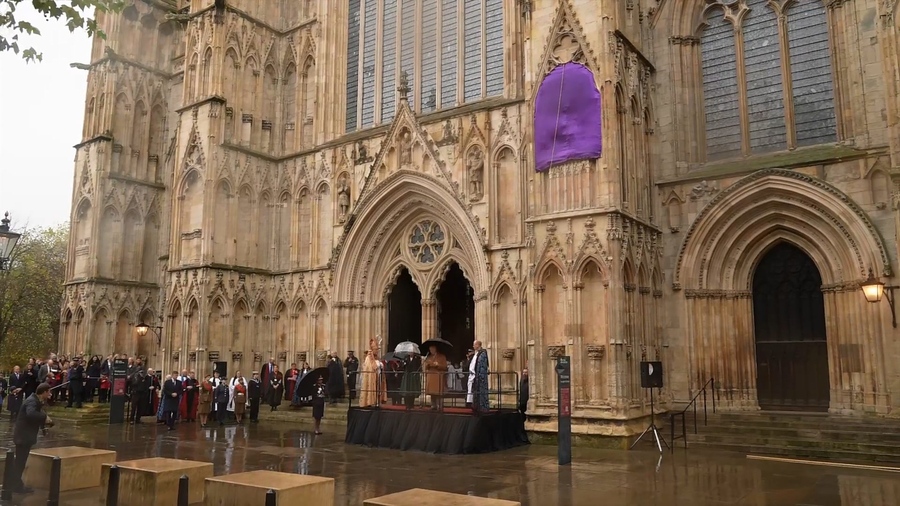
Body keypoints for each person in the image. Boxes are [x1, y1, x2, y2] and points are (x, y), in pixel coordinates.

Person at [9, 383, 53, 496]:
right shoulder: (32, 401)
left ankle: (16, 484)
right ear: (43, 392)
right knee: (20, 462)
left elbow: (35, 415)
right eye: (49, 392)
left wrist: (43, 426)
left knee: (20, 462)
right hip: (23, 436)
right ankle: (15, 486)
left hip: (24, 436)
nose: (50, 394)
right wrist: (44, 418)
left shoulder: (35, 400)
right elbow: (31, 413)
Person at [358, 339, 385, 408]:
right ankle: (369, 402)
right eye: (376, 349)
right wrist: (377, 365)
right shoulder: (369, 357)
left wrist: (381, 365)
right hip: (371, 377)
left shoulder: (376, 357)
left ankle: (377, 402)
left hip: (377, 376)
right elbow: (369, 367)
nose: (377, 351)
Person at [423, 345, 448, 410]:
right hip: (431, 376)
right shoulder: (429, 357)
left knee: (438, 393)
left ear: (435, 349)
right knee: (432, 393)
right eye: (430, 350)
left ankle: (439, 405)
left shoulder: (442, 356)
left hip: (438, 376)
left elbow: (445, 367)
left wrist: (437, 365)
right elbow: (425, 367)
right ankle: (433, 405)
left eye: (432, 349)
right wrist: (427, 365)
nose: (431, 351)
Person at [467, 340, 490, 412]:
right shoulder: (476, 353)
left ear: (478, 345)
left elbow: (482, 365)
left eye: (474, 345)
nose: (473, 346)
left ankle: (482, 407)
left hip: (480, 376)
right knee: (475, 392)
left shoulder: (482, 353)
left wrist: (479, 375)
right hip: (475, 376)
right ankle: (476, 406)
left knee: (481, 393)